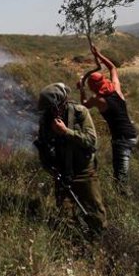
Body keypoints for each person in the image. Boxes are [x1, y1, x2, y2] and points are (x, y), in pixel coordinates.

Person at [35, 83, 107, 234]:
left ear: (62, 103)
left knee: (95, 213)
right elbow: (43, 147)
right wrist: (50, 168)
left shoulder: (80, 112)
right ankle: (71, 243)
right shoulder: (45, 119)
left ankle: (97, 240)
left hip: (83, 170)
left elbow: (91, 141)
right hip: (61, 171)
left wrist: (65, 131)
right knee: (65, 216)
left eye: (52, 108)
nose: (50, 112)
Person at [78, 46, 139, 194]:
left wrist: (81, 89)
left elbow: (84, 105)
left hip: (122, 139)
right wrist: (99, 55)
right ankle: (124, 196)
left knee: (121, 178)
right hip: (132, 135)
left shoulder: (98, 99)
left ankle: (126, 201)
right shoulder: (116, 89)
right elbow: (112, 68)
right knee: (120, 173)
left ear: (93, 87)